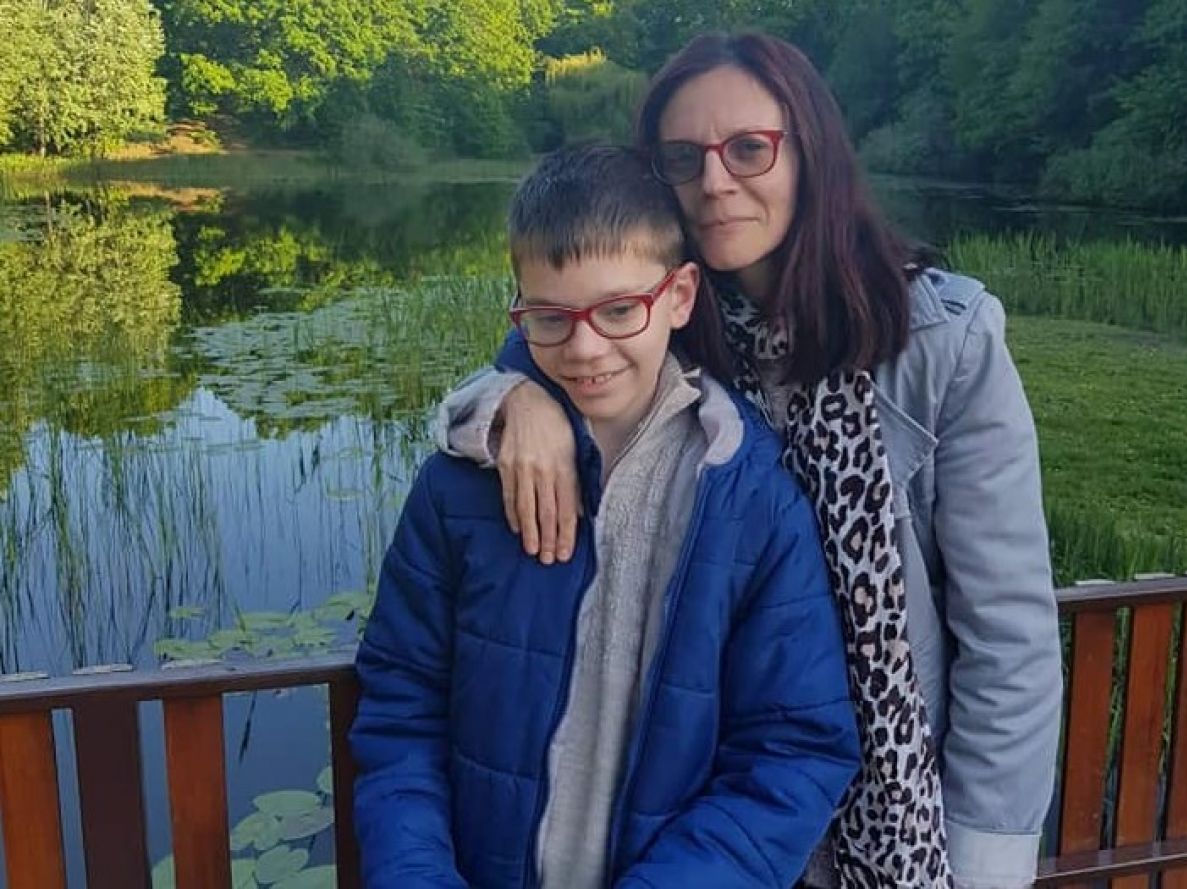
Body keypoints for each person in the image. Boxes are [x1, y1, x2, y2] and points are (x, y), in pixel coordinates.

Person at [435, 31, 1063, 889]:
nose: (715, 181)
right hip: (713, 811)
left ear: (809, 151)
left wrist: (986, 860)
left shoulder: (940, 341)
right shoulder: (667, 322)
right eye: (683, 157)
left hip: (893, 819)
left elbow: (1009, 637)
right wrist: (514, 398)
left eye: (748, 149)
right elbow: (550, 336)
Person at [351, 144, 861, 889]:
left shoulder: (754, 503)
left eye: (620, 310)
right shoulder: (458, 488)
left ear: (680, 296)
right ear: (519, 313)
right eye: (550, 318)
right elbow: (401, 708)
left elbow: (793, 750)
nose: (586, 349)